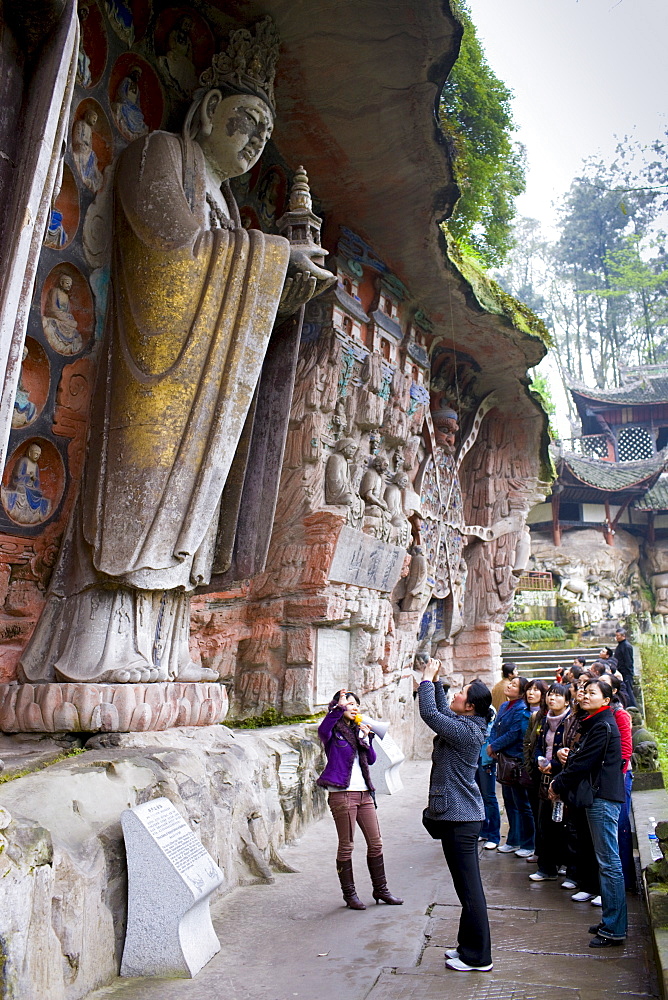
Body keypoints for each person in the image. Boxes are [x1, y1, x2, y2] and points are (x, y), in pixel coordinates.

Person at [419, 658, 493, 972]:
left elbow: (430, 714)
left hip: (461, 820)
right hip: (459, 818)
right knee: (465, 888)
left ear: (471, 707)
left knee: (470, 889)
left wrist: (425, 680)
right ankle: (467, 948)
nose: (456, 695)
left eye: (461, 693)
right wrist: (435, 683)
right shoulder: (467, 724)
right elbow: (444, 713)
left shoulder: (467, 732)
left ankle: (478, 957)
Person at [550, 678, 627, 948]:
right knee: (605, 861)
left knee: (609, 863)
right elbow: (581, 758)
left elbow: (584, 762)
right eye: (584, 691)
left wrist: (557, 783)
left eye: (592, 693)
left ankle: (615, 928)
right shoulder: (594, 723)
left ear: (606, 700)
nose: (584, 695)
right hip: (599, 797)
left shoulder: (604, 726)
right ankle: (609, 920)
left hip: (603, 798)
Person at [317, 689, 402, 910]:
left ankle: (381, 889)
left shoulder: (358, 731)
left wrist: (366, 737)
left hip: (364, 794)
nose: (353, 707)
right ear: (338, 706)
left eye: (356, 704)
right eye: (349, 703)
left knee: (376, 843)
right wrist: (339, 708)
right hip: (342, 795)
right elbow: (323, 728)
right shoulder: (332, 732)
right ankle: (350, 894)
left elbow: (372, 760)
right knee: (347, 846)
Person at [488, 675, 535, 857]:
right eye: (511, 683)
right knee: (509, 801)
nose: (509, 686)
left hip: (515, 760)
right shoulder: (504, 706)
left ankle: (528, 842)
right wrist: (493, 744)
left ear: (521, 691)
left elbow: (515, 733)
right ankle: (513, 839)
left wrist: (495, 745)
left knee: (522, 804)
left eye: (515, 685)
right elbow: (496, 728)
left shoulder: (521, 709)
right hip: (504, 758)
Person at [529, 683, 570, 881]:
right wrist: (539, 760)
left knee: (562, 823)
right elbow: (537, 744)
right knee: (544, 821)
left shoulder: (571, 722)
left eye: (558, 696)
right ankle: (546, 868)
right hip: (543, 776)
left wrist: (553, 765)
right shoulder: (544, 719)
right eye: (551, 695)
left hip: (561, 777)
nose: (552, 699)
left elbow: (571, 750)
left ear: (567, 701)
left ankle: (565, 864)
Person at [476, 703, 500, 850]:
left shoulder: (489, 712)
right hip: (476, 759)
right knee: (479, 797)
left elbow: (490, 736)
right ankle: (484, 830)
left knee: (489, 797)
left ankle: (494, 835)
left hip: (486, 760)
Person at [615, 629, 636, 707]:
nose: (616, 637)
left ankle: (633, 707)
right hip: (621, 671)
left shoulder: (626, 646)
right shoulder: (621, 645)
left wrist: (629, 673)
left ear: (623, 636)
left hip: (626, 673)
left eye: (618, 635)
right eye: (616, 635)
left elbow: (628, 661)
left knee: (629, 691)